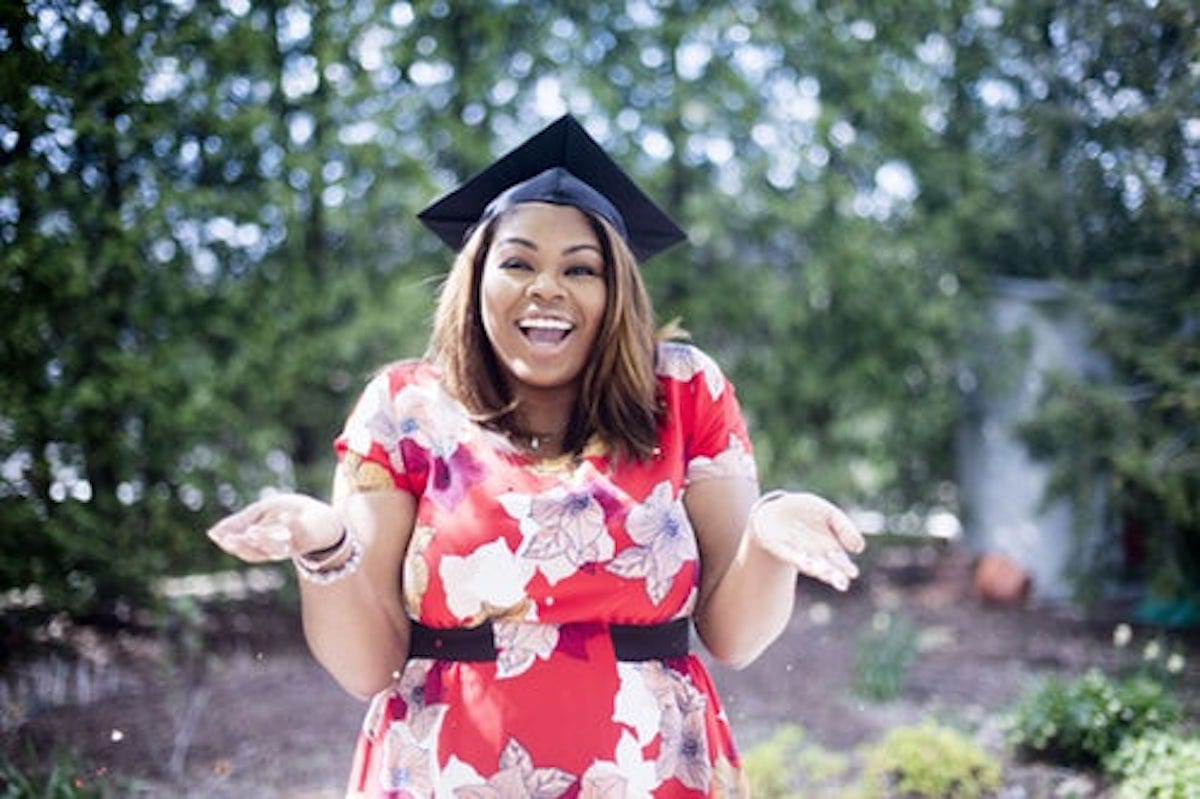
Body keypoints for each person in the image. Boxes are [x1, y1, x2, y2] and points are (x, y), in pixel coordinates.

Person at [207, 114, 866, 798]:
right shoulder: (404, 410)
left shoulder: (684, 391)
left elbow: (735, 636)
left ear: (616, 292)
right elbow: (364, 664)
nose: (546, 287)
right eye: (518, 262)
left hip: (649, 771)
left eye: (580, 268)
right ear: (476, 278)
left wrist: (767, 536)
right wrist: (325, 545)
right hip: (449, 772)